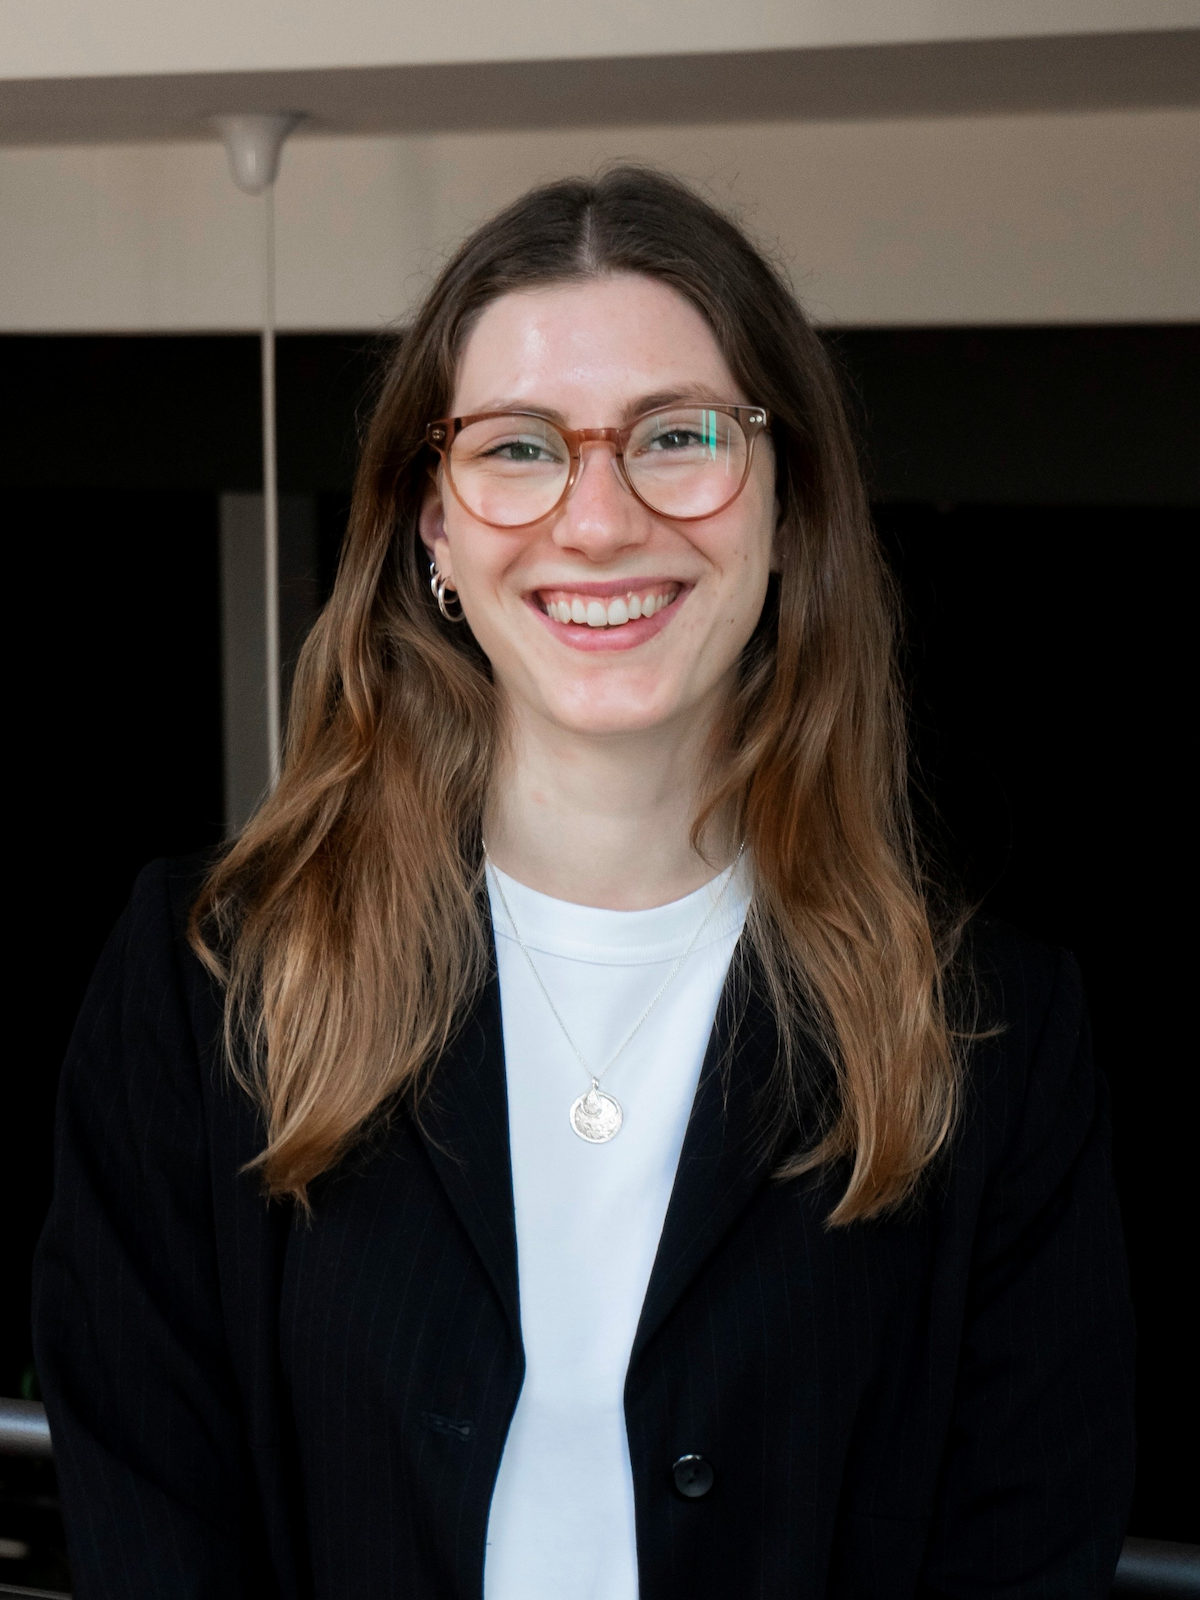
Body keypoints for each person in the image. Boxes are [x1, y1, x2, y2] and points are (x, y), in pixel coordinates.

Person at [33, 167, 1134, 1599]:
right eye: (518, 449)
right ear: (434, 522)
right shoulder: (207, 982)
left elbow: (1025, 1557)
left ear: (786, 501)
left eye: (677, 437)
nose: (599, 521)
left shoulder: (995, 1038)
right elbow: (151, 1527)